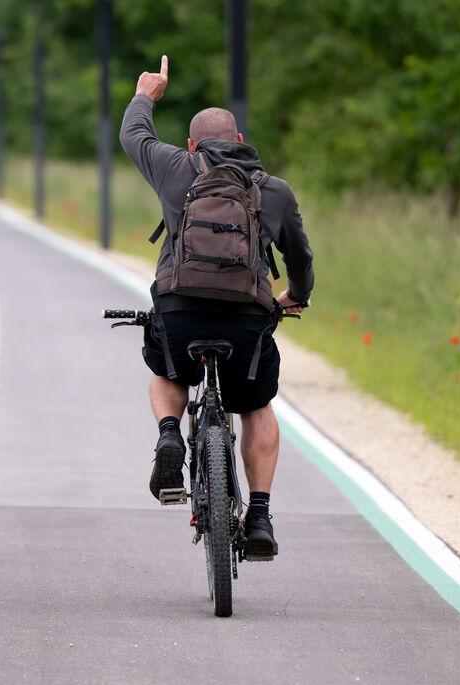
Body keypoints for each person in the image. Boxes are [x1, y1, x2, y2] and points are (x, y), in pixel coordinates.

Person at [119, 55, 314, 559]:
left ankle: (168, 436)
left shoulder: (174, 168)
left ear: (192, 145)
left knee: (167, 368)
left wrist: (147, 94)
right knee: (256, 405)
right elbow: (300, 258)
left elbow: (133, 136)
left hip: (180, 309)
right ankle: (262, 515)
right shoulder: (274, 190)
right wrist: (296, 296)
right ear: (242, 143)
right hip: (247, 316)